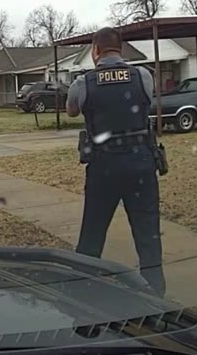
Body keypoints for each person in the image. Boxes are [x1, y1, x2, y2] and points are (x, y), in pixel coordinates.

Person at [65, 27, 165, 296]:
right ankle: (156, 295)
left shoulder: (84, 82)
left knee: (92, 234)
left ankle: (83, 290)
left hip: (104, 167)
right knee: (148, 235)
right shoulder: (143, 75)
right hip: (141, 164)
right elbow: (147, 100)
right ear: (119, 49)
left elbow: (72, 110)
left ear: (95, 51)